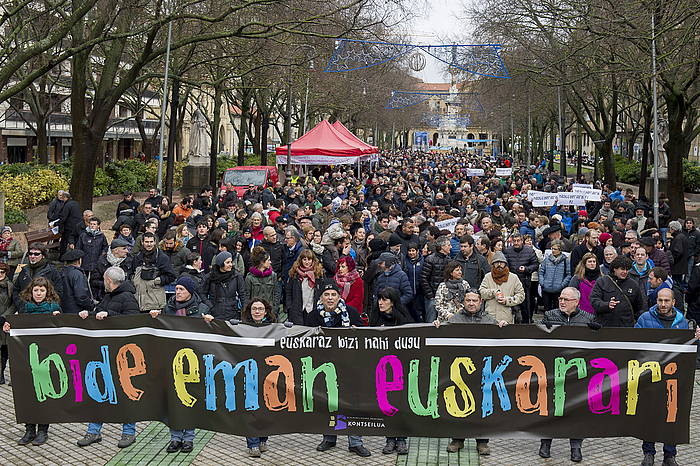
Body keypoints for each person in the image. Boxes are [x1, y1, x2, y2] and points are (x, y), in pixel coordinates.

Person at [434, 289, 506, 457]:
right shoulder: (455, 320)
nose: (471, 303)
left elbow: (501, 341)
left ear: (480, 302)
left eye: (474, 300)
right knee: (459, 405)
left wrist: (503, 327)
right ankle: (458, 439)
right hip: (461, 374)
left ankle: (482, 442)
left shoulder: (489, 320)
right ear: (463, 302)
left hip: (482, 373)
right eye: (468, 300)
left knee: (483, 406)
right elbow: (442, 338)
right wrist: (436, 327)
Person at [76, 266, 139, 449]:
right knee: (99, 392)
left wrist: (110, 315)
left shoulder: (127, 297)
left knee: (125, 393)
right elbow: (100, 314)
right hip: (104, 352)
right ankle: (93, 431)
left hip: (121, 356)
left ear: (109, 281)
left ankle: (129, 432)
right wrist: (89, 315)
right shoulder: (109, 296)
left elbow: (132, 321)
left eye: (104, 280)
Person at [636, 288, 700, 466]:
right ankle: (648, 453)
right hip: (650, 377)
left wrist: (697, 339)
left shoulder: (684, 323)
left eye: (666, 301)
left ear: (674, 302)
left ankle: (670, 455)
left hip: (674, 379)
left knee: (672, 416)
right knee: (649, 415)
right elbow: (634, 345)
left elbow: (692, 351)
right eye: (660, 300)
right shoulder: (644, 319)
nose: (663, 304)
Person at [150, 276, 213, 454]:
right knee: (174, 399)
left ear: (190, 292)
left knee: (189, 399)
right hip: (171, 361)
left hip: (192, 362)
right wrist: (155, 317)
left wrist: (209, 322)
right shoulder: (168, 309)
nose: (177, 292)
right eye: (176, 289)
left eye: (181, 289)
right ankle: (175, 437)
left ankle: (189, 438)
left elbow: (211, 335)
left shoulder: (201, 309)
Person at [311, 281, 370, 457]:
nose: (330, 298)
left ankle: (355, 442)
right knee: (328, 403)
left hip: (349, 366)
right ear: (321, 297)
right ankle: (329, 438)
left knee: (351, 403)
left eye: (333, 295)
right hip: (325, 367)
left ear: (339, 296)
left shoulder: (350, 312)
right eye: (327, 295)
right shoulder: (314, 315)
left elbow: (365, 335)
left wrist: (356, 331)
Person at [3, 276, 61, 446]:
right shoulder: (24, 307)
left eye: (42, 290)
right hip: (27, 356)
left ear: (47, 292)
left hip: (46, 357)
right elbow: (17, 329)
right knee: (28, 393)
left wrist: (59, 319)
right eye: (36, 290)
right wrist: (9, 326)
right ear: (31, 291)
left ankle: (43, 430)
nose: (38, 293)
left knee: (43, 392)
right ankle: (29, 430)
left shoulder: (54, 308)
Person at [538, 286, 591, 462]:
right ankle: (545, 443)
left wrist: (598, 332)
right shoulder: (550, 316)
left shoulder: (588, 319)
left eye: (566, 299)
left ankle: (576, 447)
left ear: (576, 302)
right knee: (551, 409)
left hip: (577, 374)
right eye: (560, 298)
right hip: (554, 371)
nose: (561, 301)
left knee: (576, 411)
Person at [373, 287, 412, 456]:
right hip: (382, 369)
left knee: (400, 404)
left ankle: (401, 439)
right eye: (379, 299)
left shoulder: (403, 319)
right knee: (386, 405)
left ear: (393, 302)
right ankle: (389, 439)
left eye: (385, 300)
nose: (381, 303)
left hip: (400, 369)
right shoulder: (375, 317)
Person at [240, 298, 276, 457]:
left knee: (266, 408)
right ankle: (252, 443)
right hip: (248, 374)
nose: (257, 311)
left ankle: (263, 439)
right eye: (254, 309)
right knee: (250, 409)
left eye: (260, 309)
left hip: (268, 375)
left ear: (266, 311)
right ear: (249, 311)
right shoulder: (240, 327)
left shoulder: (275, 328)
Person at [590, 255, 646, 327]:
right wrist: (607, 305)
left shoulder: (633, 284)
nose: (625, 272)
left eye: (627, 269)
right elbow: (594, 301)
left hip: (626, 327)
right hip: (605, 326)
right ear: (614, 269)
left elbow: (639, 307)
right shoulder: (602, 281)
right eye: (622, 269)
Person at [132, 232, 177, 313]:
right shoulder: (137, 257)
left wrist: (158, 281)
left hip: (155, 303)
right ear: (142, 242)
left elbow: (172, 276)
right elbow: (132, 273)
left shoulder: (162, 258)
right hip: (138, 302)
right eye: (146, 242)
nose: (149, 244)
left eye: (151, 242)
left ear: (155, 242)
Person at [13, 243, 64, 311]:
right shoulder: (24, 270)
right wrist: (21, 305)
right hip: (25, 311)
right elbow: (16, 290)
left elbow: (59, 292)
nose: (32, 256)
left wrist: (49, 306)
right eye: (30, 254)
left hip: (46, 311)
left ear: (43, 255)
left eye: (36, 254)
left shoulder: (52, 271)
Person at [479, 251, 525, 324]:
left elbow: (521, 295)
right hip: (490, 316)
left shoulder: (513, 277)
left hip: (507, 316)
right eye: (496, 262)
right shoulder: (488, 277)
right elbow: (481, 292)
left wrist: (507, 300)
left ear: (505, 264)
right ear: (493, 264)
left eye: (501, 262)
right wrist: (494, 292)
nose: (499, 265)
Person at [503, 233, 539, 323]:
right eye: (514, 241)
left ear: (522, 241)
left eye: (518, 241)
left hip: (525, 281)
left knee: (525, 305)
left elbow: (536, 264)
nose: (516, 243)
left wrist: (526, 269)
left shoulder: (529, 251)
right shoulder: (508, 251)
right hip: (510, 281)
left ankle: (526, 323)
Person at [202, 251, 248, 321]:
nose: (231, 264)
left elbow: (243, 294)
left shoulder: (237, 276)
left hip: (232, 312)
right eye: (227, 262)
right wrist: (210, 306)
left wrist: (245, 311)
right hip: (215, 311)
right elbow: (202, 294)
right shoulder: (210, 277)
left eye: (231, 262)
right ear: (220, 263)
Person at [371, 252, 413, 325]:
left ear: (388, 263)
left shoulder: (401, 275)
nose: (379, 265)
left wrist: (396, 303)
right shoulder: (380, 277)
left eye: (381, 263)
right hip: (381, 315)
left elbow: (408, 294)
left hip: (397, 313)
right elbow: (376, 294)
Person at [286, 250, 324, 325]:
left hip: (313, 309)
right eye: (304, 259)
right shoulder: (294, 274)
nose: (307, 262)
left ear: (313, 260)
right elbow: (288, 292)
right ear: (301, 260)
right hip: (297, 310)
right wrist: (290, 307)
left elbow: (322, 292)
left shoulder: (318, 274)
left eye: (309, 259)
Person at [420, 235, 451, 322]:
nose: (451, 247)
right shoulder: (430, 259)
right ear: (442, 247)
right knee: (431, 321)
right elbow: (423, 278)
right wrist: (430, 295)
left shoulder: (449, 260)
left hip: (445, 296)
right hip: (432, 297)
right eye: (448, 245)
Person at [244, 247, 281, 316]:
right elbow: (247, 296)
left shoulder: (273, 276)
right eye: (268, 260)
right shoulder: (250, 277)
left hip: (270, 311)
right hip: (255, 312)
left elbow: (277, 294)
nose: (270, 262)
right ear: (262, 262)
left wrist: (274, 310)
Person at [538, 239, 571, 312]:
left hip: (558, 290)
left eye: (555, 249)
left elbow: (568, 275)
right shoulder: (547, 259)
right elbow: (541, 272)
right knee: (547, 310)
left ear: (560, 249)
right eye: (552, 248)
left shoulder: (566, 260)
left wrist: (562, 285)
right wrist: (542, 283)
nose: (553, 250)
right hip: (546, 289)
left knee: (557, 310)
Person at [59, 249, 94, 314]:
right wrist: (91, 305)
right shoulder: (77, 274)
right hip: (77, 311)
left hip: (64, 310)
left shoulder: (62, 272)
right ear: (79, 261)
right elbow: (81, 296)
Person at [0, 263, 13, 384]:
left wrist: (5, 316)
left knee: (4, 349)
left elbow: (14, 304)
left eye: (2, 272)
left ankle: (1, 374)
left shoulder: (9, 286)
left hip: (3, 321)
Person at [667, 220, 689, 285]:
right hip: (681, 265)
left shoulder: (678, 238)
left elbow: (678, 251)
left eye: (670, 228)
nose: (669, 230)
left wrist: (672, 259)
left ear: (673, 228)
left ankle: (679, 295)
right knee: (679, 282)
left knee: (677, 284)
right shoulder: (681, 236)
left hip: (677, 266)